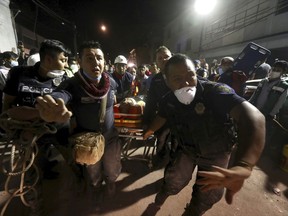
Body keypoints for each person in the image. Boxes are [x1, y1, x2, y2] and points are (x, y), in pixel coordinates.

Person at [142, 54, 265, 216]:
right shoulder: (169, 100)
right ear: (167, 81)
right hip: (186, 150)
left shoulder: (215, 92)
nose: (186, 83)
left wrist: (245, 165)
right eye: (177, 78)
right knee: (173, 180)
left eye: (190, 75)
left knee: (207, 196)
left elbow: (255, 118)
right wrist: (150, 130)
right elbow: (162, 115)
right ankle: (159, 201)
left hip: (217, 154)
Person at [35, 40, 122, 203]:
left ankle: (110, 184)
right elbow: (60, 94)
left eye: (99, 58)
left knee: (112, 167)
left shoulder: (111, 82)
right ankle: (95, 188)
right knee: (93, 171)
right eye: (89, 58)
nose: (96, 62)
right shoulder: (72, 84)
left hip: (110, 137)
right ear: (79, 61)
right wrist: (52, 103)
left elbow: (115, 99)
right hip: (87, 141)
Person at [2, 39, 70, 215]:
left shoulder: (63, 78)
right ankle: (35, 207)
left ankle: (83, 188)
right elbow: (8, 106)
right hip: (29, 133)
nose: (66, 63)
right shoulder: (19, 74)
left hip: (57, 129)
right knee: (32, 171)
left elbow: (66, 106)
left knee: (76, 159)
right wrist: (23, 118)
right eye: (63, 59)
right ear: (48, 60)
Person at [249, 60, 288, 161]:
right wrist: (249, 103)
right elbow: (255, 94)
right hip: (255, 110)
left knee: (263, 135)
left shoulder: (283, 85)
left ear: (283, 72)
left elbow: (280, 102)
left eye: (278, 70)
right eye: (274, 69)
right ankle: (248, 149)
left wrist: (271, 114)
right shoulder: (263, 81)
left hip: (267, 114)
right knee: (252, 130)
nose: (274, 71)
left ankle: (259, 154)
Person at [142, 46, 173, 163]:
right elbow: (151, 102)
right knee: (161, 142)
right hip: (163, 118)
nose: (164, 60)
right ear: (157, 63)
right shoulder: (156, 80)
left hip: (182, 118)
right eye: (160, 58)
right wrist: (146, 122)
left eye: (166, 56)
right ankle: (160, 157)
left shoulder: (183, 74)